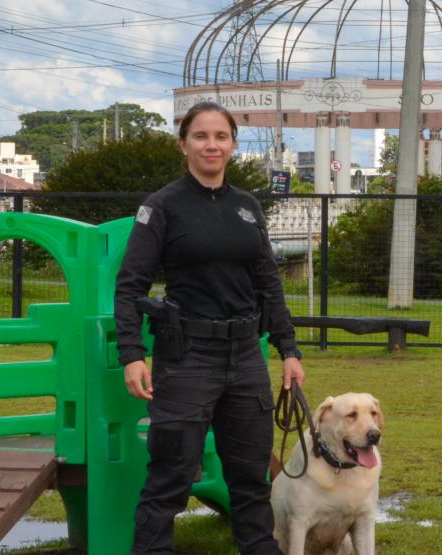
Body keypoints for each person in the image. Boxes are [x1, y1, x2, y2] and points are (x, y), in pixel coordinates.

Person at [115, 101, 304, 555]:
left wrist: (289, 350)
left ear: (234, 145)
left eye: (221, 136)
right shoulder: (161, 207)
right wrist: (132, 354)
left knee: (251, 477)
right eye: (201, 136)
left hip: (245, 357)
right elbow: (130, 286)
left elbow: (268, 282)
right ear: (184, 145)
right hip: (186, 359)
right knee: (170, 477)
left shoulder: (247, 207)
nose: (211, 145)